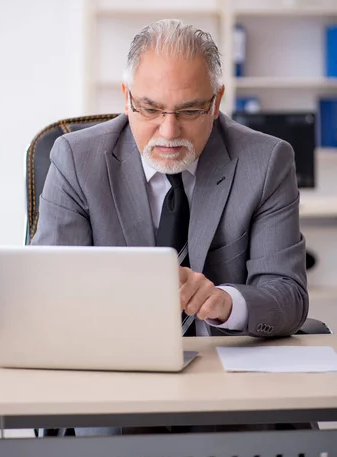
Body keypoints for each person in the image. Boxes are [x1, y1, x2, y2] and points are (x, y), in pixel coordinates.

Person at [32, 18, 308, 338]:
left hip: (219, 365)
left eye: (189, 111)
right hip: (111, 353)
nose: (169, 132)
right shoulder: (76, 159)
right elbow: (49, 288)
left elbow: (289, 297)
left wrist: (226, 303)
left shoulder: (266, 162)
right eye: (150, 109)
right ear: (127, 98)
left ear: (216, 102)